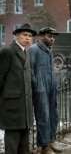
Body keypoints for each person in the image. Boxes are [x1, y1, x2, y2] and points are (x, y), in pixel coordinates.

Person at [0, 23, 36, 154]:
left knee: (24, 144)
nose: (28, 38)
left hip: (24, 106)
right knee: (12, 142)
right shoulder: (7, 51)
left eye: (30, 36)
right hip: (12, 106)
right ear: (16, 36)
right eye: (24, 35)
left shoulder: (26, 52)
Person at [29, 27, 60, 154]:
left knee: (54, 115)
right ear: (41, 36)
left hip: (51, 87)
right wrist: (36, 86)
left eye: (53, 36)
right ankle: (44, 146)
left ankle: (51, 141)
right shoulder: (34, 50)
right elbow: (30, 70)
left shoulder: (49, 51)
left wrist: (55, 84)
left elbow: (51, 70)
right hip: (41, 88)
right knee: (43, 116)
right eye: (49, 36)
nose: (52, 38)